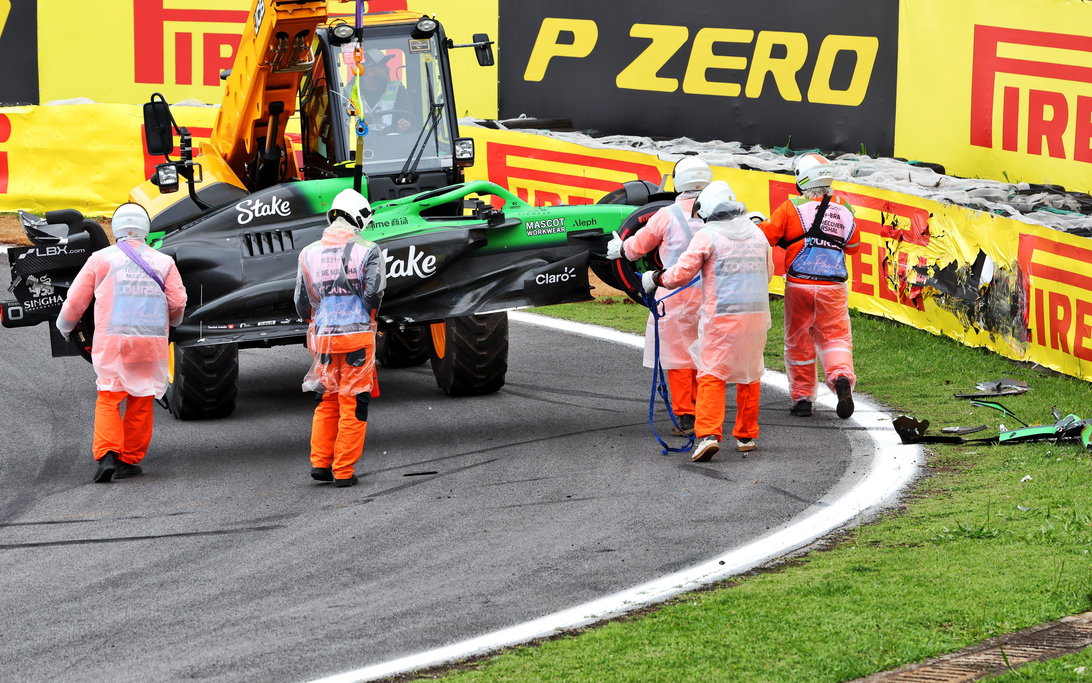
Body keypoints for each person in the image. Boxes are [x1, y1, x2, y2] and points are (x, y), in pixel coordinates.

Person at [642, 180, 773, 462]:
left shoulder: (709, 235)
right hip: (757, 317)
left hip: (722, 318)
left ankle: (708, 434)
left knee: (711, 375)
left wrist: (655, 278)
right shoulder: (757, 233)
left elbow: (680, 274)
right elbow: (769, 273)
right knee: (750, 375)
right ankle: (746, 435)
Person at [56, 203, 187, 483]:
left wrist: (64, 327)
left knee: (109, 396)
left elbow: (76, 301)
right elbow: (177, 303)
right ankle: (128, 459)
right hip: (150, 341)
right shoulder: (163, 262)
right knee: (141, 398)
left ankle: (106, 456)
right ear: (145, 229)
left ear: (115, 229)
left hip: (113, 340)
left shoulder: (100, 259)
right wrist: (172, 324)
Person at [605, 156, 711, 436]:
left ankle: (687, 416)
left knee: (677, 357)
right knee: (706, 354)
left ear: (679, 182)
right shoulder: (719, 210)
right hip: (712, 294)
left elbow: (636, 249)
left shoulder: (667, 215)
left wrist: (621, 248)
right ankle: (706, 410)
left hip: (674, 292)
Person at [294, 189, 385, 488]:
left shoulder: (308, 253)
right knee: (353, 403)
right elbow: (374, 294)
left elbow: (301, 301)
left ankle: (320, 464)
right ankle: (343, 471)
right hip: (357, 337)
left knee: (327, 399)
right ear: (358, 217)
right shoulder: (368, 250)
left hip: (323, 340)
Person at [758, 153, 859, 420]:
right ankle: (840, 377)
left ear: (801, 179)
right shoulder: (846, 209)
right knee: (836, 338)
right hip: (834, 287)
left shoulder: (792, 207)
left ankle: (803, 397)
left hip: (799, 285)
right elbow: (853, 248)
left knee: (798, 340)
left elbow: (767, 235)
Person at [356, 49, 414, 134]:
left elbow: (409, 119)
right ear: (369, 71)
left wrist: (406, 123)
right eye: (383, 66)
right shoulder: (349, 93)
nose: (388, 69)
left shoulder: (397, 90)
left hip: (391, 143)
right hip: (360, 144)